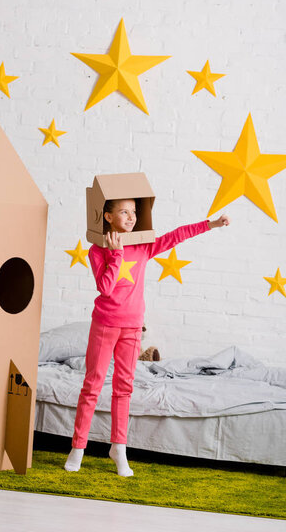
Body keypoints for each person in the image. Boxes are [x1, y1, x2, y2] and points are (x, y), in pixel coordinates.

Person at [64, 198, 230, 476]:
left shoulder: (143, 246)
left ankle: (119, 448)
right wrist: (116, 254)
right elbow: (105, 288)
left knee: (124, 388)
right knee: (92, 385)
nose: (131, 217)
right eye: (124, 212)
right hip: (104, 325)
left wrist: (211, 224)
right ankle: (78, 447)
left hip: (132, 327)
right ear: (107, 216)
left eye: (134, 212)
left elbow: (176, 235)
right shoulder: (97, 250)